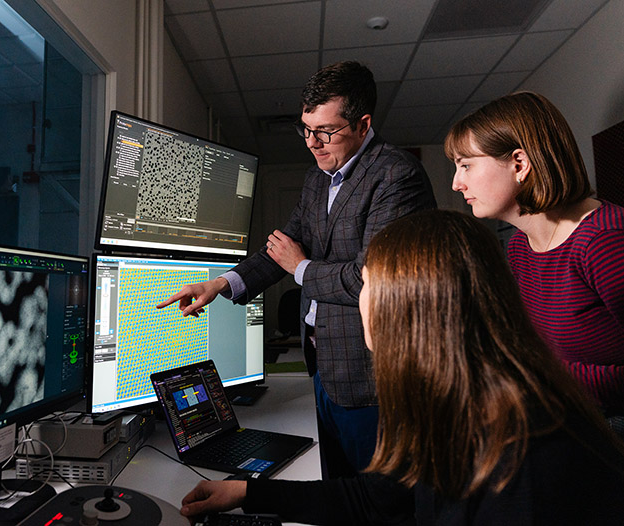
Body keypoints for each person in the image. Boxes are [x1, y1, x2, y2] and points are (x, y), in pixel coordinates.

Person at [179, 210, 624, 525]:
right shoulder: (459, 407)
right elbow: (381, 496)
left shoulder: (526, 463)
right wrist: (246, 493)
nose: (359, 301)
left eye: (368, 284)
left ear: (411, 306)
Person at [157, 61, 436, 479]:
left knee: (376, 501)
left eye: (326, 131)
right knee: (337, 492)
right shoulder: (316, 179)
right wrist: (220, 283)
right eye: (306, 129)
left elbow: (373, 280)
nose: (312, 143)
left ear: (362, 124)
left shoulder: (396, 176)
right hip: (322, 364)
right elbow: (279, 249)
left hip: (372, 377)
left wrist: (301, 267)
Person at [445, 92, 624, 427]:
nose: (457, 183)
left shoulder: (604, 242)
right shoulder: (519, 248)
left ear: (520, 164)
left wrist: (542, 378)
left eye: (466, 165)